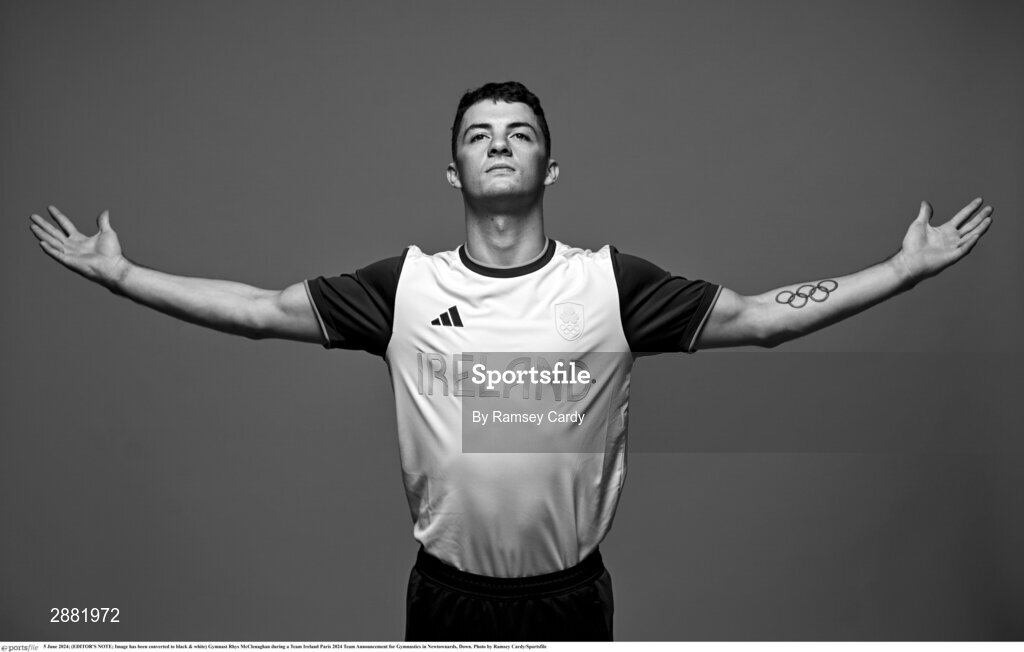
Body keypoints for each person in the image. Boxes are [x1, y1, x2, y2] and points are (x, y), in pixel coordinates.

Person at [28, 81, 993, 642]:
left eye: (520, 135)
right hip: (445, 595)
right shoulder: (399, 288)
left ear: (549, 170)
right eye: (479, 138)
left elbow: (764, 318)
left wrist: (901, 273)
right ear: (453, 172)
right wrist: (122, 278)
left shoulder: (611, 286)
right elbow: (255, 312)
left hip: (570, 597)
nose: (500, 147)